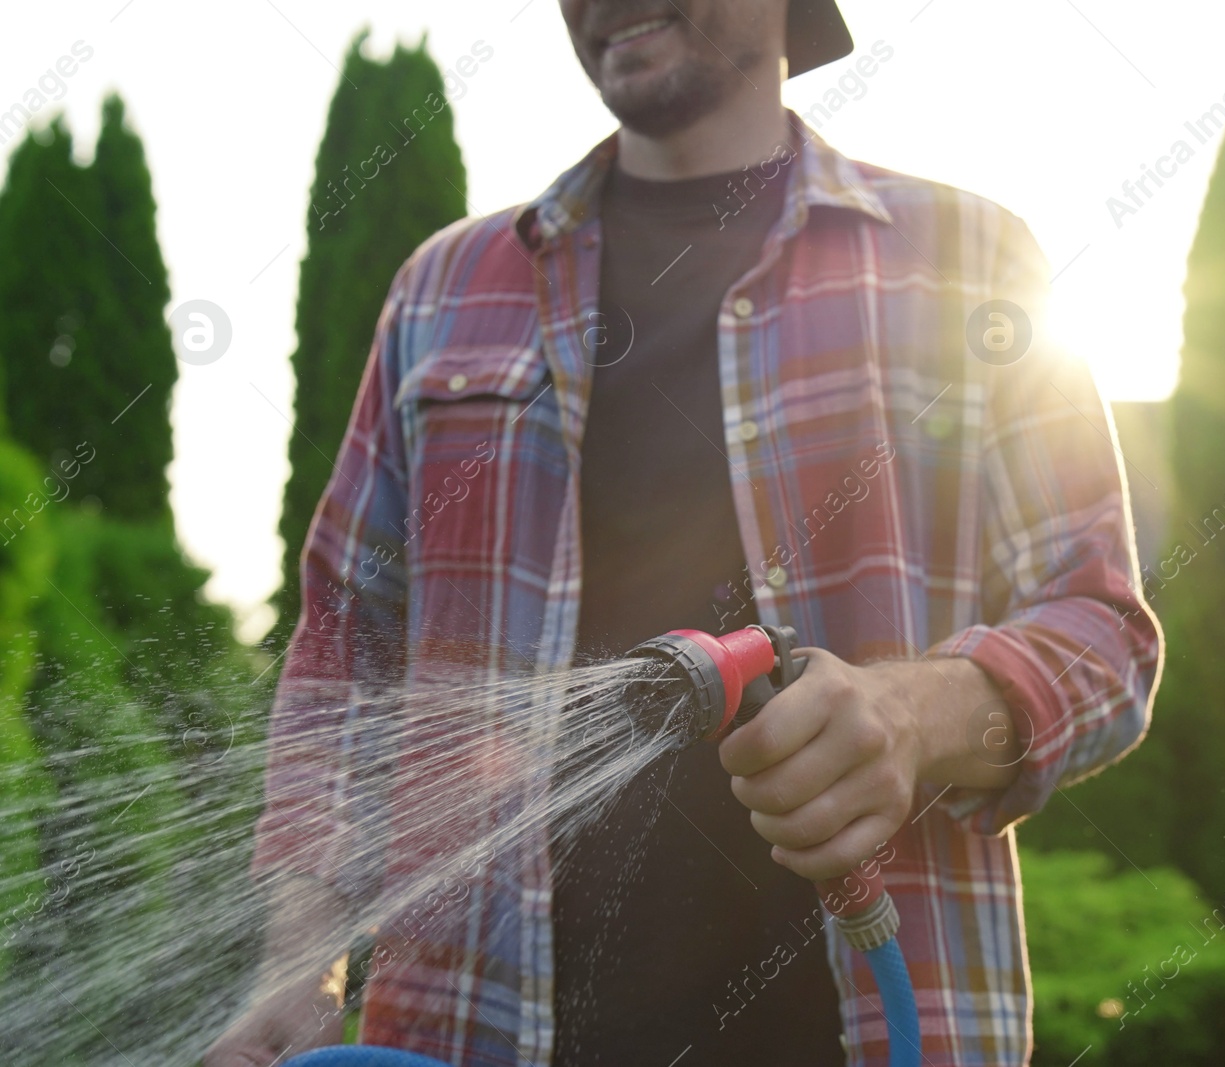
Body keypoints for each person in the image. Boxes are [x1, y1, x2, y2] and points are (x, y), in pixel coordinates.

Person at [206, 1, 1161, 1064]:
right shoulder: (445, 289)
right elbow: (345, 657)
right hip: (468, 1031)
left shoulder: (969, 260)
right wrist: (301, 964)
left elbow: (1106, 634)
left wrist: (912, 713)